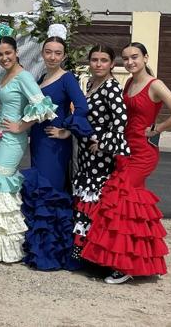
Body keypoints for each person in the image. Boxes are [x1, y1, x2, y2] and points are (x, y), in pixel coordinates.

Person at [82, 42, 171, 284]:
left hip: (143, 153)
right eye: (126, 58)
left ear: (146, 57)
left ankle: (125, 265)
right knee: (130, 206)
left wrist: (158, 128)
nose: (130, 62)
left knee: (123, 201)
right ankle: (142, 259)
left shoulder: (155, 84)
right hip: (125, 150)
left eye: (135, 57)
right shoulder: (129, 83)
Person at [0, 35, 57, 263]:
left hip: (13, 140)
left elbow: (42, 104)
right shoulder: (3, 76)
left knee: (2, 186)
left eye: (8, 53)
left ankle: (8, 249)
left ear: (17, 52)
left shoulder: (24, 76)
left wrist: (22, 125)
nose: (4, 57)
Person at [21, 28, 92, 271]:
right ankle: (39, 249)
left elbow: (81, 107)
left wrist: (67, 130)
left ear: (64, 56)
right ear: (42, 53)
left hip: (55, 145)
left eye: (57, 53)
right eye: (48, 52)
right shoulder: (39, 79)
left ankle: (53, 254)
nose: (52, 56)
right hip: (39, 141)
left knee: (51, 191)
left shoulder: (67, 78)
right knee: (39, 190)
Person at [72, 45, 130, 259]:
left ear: (112, 63)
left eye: (103, 60)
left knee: (95, 199)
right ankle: (82, 247)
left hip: (101, 155)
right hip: (86, 154)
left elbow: (121, 119)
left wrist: (104, 143)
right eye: (94, 59)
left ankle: (94, 251)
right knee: (85, 196)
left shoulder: (111, 87)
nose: (98, 64)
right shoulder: (90, 83)